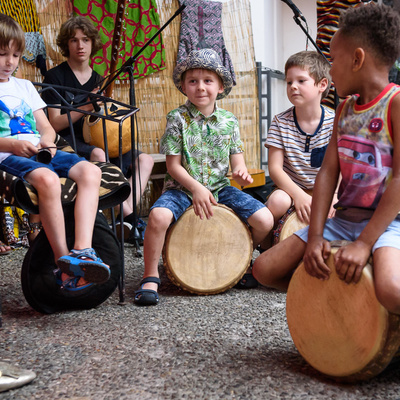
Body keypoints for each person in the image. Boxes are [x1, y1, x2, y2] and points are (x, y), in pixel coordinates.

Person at [252, 3, 400, 316]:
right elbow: (327, 174)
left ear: (357, 59)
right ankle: (345, 302)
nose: (329, 69)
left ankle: (385, 320)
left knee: (390, 288)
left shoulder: (395, 104)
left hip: (389, 224)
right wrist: (317, 235)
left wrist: (363, 244)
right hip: (344, 220)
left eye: (333, 60)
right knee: (264, 269)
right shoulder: (344, 110)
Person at [134, 48, 274, 306]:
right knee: (157, 216)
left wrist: (241, 173)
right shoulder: (177, 119)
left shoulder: (229, 121)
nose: (200, 87)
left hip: (220, 188)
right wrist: (196, 188)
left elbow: (238, 162)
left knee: (265, 219)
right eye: (193, 81)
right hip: (181, 188)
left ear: (220, 87)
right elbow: (173, 166)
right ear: (184, 87)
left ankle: (239, 260)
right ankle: (150, 273)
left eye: (208, 81)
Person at [0, 13, 110, 289]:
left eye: (15, 54)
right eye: (2, 54)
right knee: (48, 180)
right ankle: (63, 260)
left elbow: (46, 127)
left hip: (40, 148)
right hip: (8, 153)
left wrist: (47, 142)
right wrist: (12, 144)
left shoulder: (24, 87)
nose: (10, 62)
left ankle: (83, 250)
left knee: (89, 171)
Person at [42, 16, 154, 241]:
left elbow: (102, 119)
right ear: (66, 45)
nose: (80, 45)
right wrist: (85, 105)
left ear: (93, 43)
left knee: (145, 160)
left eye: (85, 40)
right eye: (74, 40)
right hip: (67, 141)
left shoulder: (100, 79)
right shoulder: (55, 76)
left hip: (97, 138)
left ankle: (123, 216)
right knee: (98, 154)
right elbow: (54, 123)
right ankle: (130, 220)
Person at [259, 50, 335, 251]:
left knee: (346, 207)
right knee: (277, 202)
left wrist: (335, 196)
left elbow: (343, 167)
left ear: (322, 85)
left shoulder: (335, 122)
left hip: (326, 189)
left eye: (301, 81)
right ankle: (266, 249)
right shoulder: (280, 122)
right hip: (290, 189)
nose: (293, 86)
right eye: (289, 82)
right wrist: (299, 196)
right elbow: (275, 169)